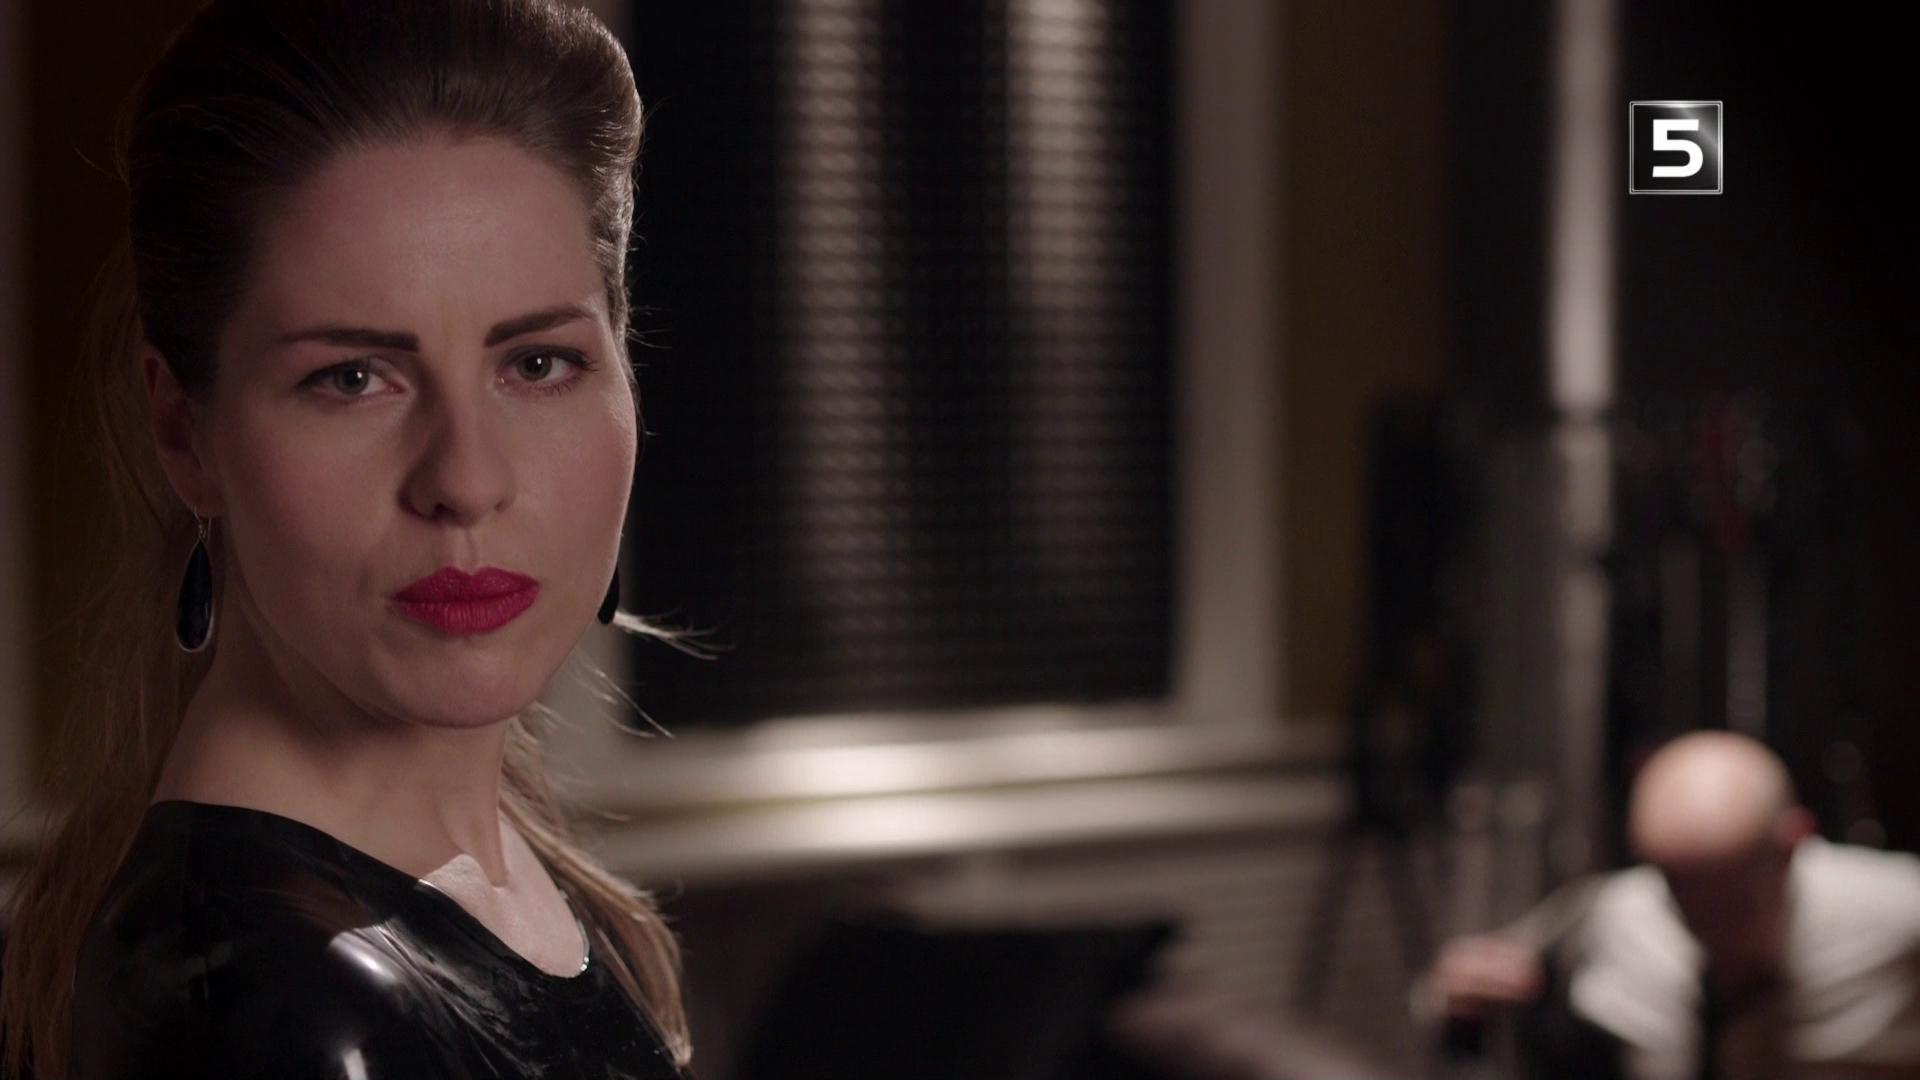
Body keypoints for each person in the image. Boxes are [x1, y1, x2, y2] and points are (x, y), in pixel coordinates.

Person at [0, 1, 699, 1077]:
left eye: (538, 364)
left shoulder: (504, 877)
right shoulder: (271, 1012)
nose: (465, 480)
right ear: (185, 434)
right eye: (353, 379)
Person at [1420, 731, 1920, 1079]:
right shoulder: (1621, 914)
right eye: (1682, 895)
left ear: (1793, 845)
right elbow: (1458, 984)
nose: (1706, 926)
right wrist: (1453, 993)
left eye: (1731, 901)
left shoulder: (1898, 913)